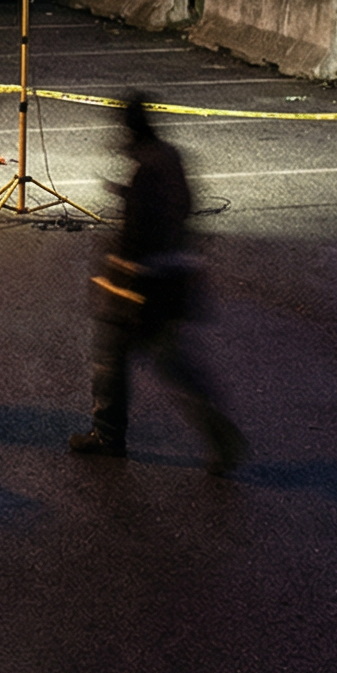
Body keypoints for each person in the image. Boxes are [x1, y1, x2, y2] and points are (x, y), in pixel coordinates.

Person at [68, 93, 246, 474]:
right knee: (174, 362)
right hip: (174, 278)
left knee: (111, 361)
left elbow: (136, 237)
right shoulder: (170, 156)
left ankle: (107, 436)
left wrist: (117, 278)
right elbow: (181, 207)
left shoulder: (146, 168)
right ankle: (220, 433)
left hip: (141, 287)